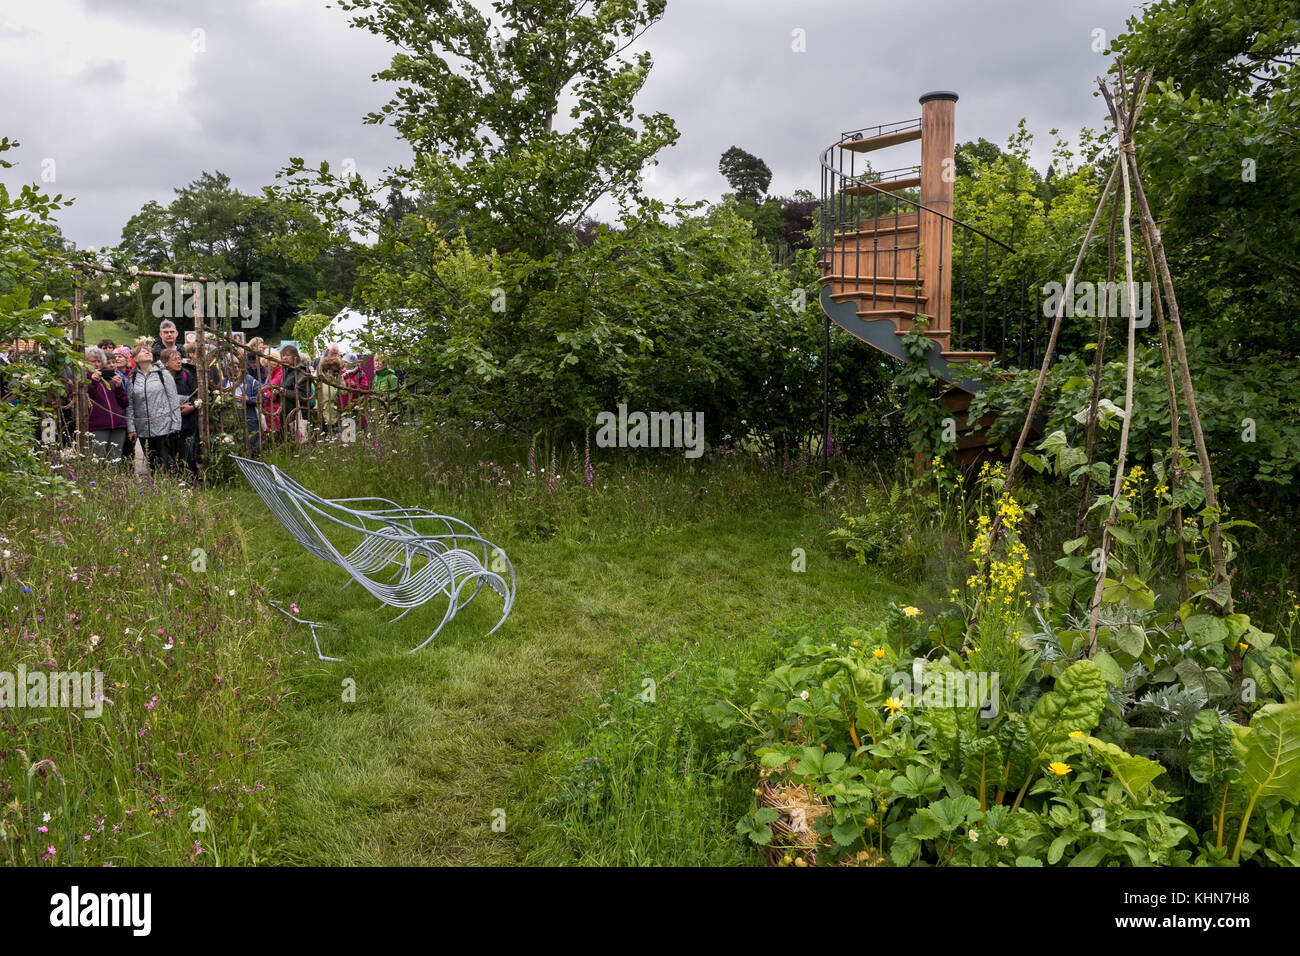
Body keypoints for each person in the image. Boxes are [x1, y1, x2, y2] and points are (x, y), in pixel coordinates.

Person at [125, 346, 181, 473]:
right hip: (143, 429)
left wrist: (176, 424)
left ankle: (170, 489)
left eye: (148, 351)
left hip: (164, 427)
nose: (147, 352)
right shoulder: (132, 379)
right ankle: (156, 490)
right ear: (136, 359)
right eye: (143, 351)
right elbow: (130, 405)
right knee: (153, 466)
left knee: (166, 465)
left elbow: (174, 400)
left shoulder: (163, 374)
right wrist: (131, 428)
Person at [84, 346, 129, 461]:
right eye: (93, 361)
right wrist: (93, 382)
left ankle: (114, 480)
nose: (97, 364)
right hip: (98, 426)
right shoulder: (84, 380)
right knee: (97, 461)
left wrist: (119, 388)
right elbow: (86, 400)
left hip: (118, 426)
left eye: (99, 361)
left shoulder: (110, 379)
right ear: (86, 362)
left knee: (114, 461)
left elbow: (125, 403)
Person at [163, 347, 199, 476]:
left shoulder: (186, 375)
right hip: (168, 423)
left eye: (179, 359)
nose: (178, 362)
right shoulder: (160, 379)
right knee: (170, 453)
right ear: (165, 363)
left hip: (187, 421)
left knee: (187, 453)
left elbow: (198, 394)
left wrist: (193, 407)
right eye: (174, 360)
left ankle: (190, 478)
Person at [277, 344, 313, 443]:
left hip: (298, 412)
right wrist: (278, 391)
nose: (284, 357)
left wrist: (285, 392)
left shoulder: (302, 372)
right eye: (283, 355)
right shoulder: (287, 370)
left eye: (287, 355)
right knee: (287, 441)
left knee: (300, 442)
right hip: (286, 412)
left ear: (295, 356)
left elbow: (303, 395)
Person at [239, 350, 265, 454]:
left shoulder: (257, 375)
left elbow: (261, 397)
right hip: (240, 414)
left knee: (253, 440)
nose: (252, 364)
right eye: (251, 363)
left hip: (252, 412)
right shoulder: (248, 370)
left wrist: (249, 399)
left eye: (254, 362)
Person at [315, 354, 344, 436]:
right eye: (334, 371)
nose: (336, 373)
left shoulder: (334, 381)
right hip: (320, 413)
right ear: (327, 369)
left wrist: (340, 377)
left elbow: (343, 392)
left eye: (338, 371)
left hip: (332, 414)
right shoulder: (319, 378)